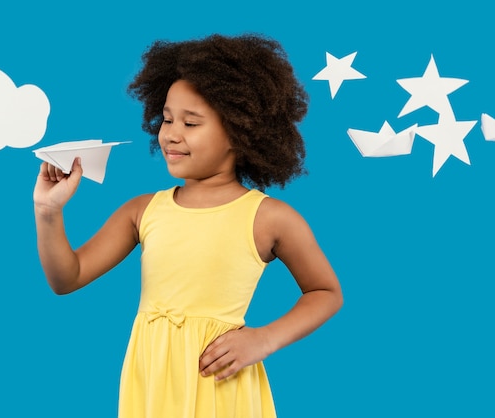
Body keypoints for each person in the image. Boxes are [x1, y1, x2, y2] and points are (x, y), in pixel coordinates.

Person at [33, 33, 343, 418]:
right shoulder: (142, 210)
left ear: (239, 131)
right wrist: (48, 212)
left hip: (220, 384)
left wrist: (263, 340)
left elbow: (326, 292)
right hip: (151, 383)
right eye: (166, 119)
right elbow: (68, 277)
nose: (171, 134)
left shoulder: (269, 217)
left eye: (191, 123)